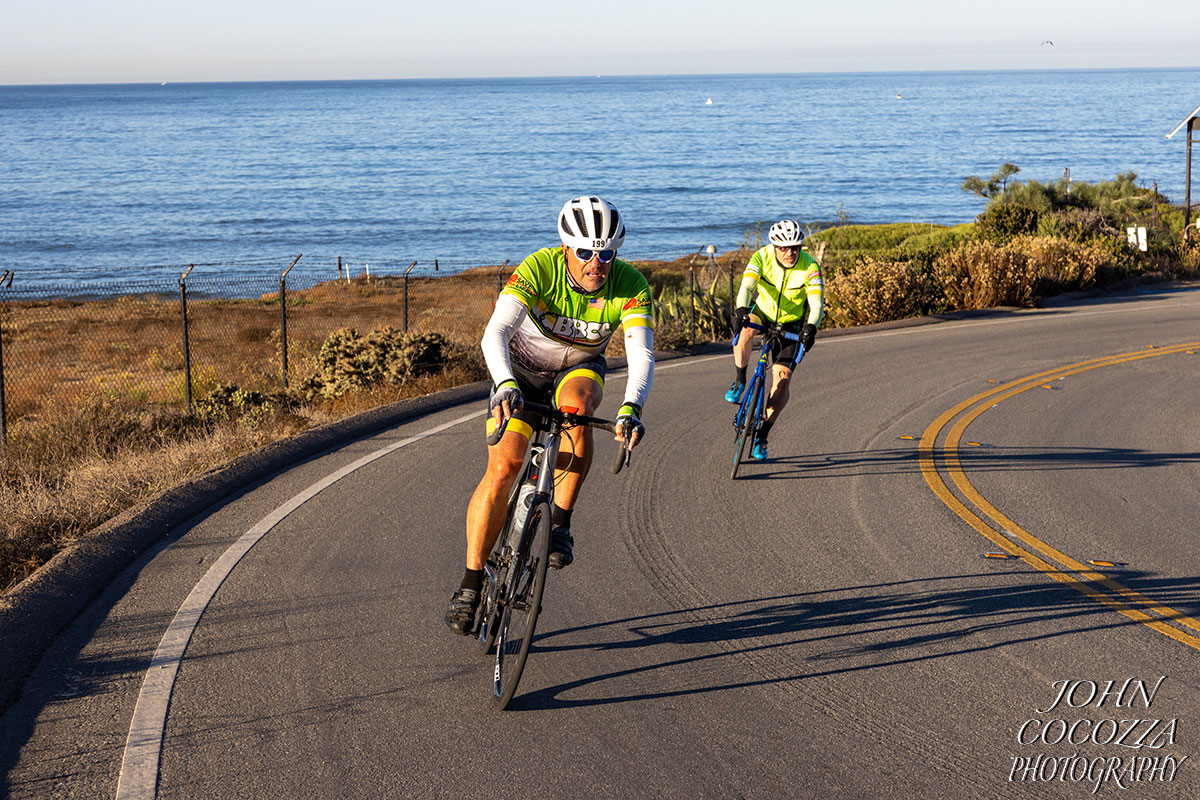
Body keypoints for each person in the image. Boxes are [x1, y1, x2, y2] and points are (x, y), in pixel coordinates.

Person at [445, 195, 655, 634]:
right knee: (504, 467)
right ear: (566, 250)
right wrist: (504, 383)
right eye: (585, 253)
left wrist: (631, 408)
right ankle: (470, 583)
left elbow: (641, 356)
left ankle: (560, 521)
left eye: (606, 254)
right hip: (520, 372)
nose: (597, 263)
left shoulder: (631, 284)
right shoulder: (540, 267)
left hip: (578, 370)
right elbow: (496, 332)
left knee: (577, 409)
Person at [724, 218, 824, 460]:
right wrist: (740, 310)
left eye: (795, 248)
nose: (790, 253)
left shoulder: (810, 267)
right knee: (746, 330)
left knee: (782, 383)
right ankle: (739, 381)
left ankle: (762, 436)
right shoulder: (761, 257)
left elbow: (816, 303)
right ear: (774, 247)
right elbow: (747, 288)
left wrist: (811, 327)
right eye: (783, 248)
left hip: (792, 323)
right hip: (764, 314)